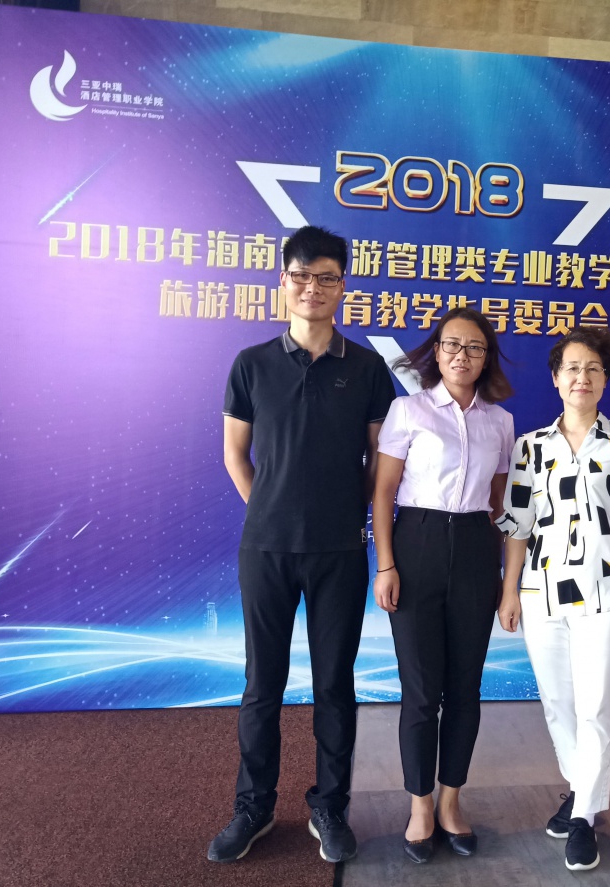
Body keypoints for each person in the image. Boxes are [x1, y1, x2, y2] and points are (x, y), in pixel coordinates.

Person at [208, 225, 396, 864]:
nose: (313, 287)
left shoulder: (366, 368)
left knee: (334, 684)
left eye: (326, 277)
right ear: (283, 281)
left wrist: (349, 517)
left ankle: (330, 806)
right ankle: (254, 806)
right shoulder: (251, 364)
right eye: (301, 276)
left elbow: (379, 461)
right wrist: (269, 510)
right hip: (265, 550)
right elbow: (236, 455)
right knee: (262, 684)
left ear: (343, 286)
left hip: (339, 551)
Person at [496, 327, 610, 873]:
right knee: (558, 703)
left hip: (608, 592)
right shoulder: (531, 446)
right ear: (555, 378)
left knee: (595, 707)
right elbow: (517, 525)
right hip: (541, 593)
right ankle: (579, 787)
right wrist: (509, 591)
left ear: (605, 378)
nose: (581, 378)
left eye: (592, 368)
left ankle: (584, 816)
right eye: (571, 368)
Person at [372, 308, 515, 863]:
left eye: (475, 347)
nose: (462, 355)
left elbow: (500, 504)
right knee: (420, 690)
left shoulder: (500, 422)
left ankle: (452, 801)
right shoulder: (407, 410)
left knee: (464, 689)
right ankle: (420, 806)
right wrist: (386, 565)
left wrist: (506, 577)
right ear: (436, 351)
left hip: (476, 550)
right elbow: (384, 492)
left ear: (487, 358)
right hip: (417, 546)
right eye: (453, 344)